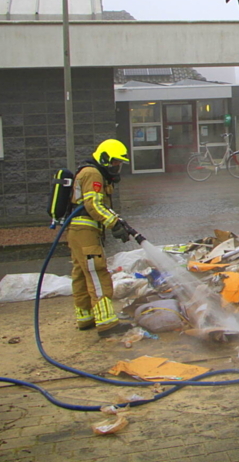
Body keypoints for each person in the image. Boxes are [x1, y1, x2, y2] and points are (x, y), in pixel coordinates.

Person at [68, 139, 135, 336]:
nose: (117, 166)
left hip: (78, 231)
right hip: (85, 231)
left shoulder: (91, 172)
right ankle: (107, 324)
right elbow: (94, 205)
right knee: (97, 272)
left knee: (81, 274)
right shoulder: (93, 174)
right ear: (105, 158)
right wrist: (114, 223)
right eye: (115, 162)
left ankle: (85, 317)